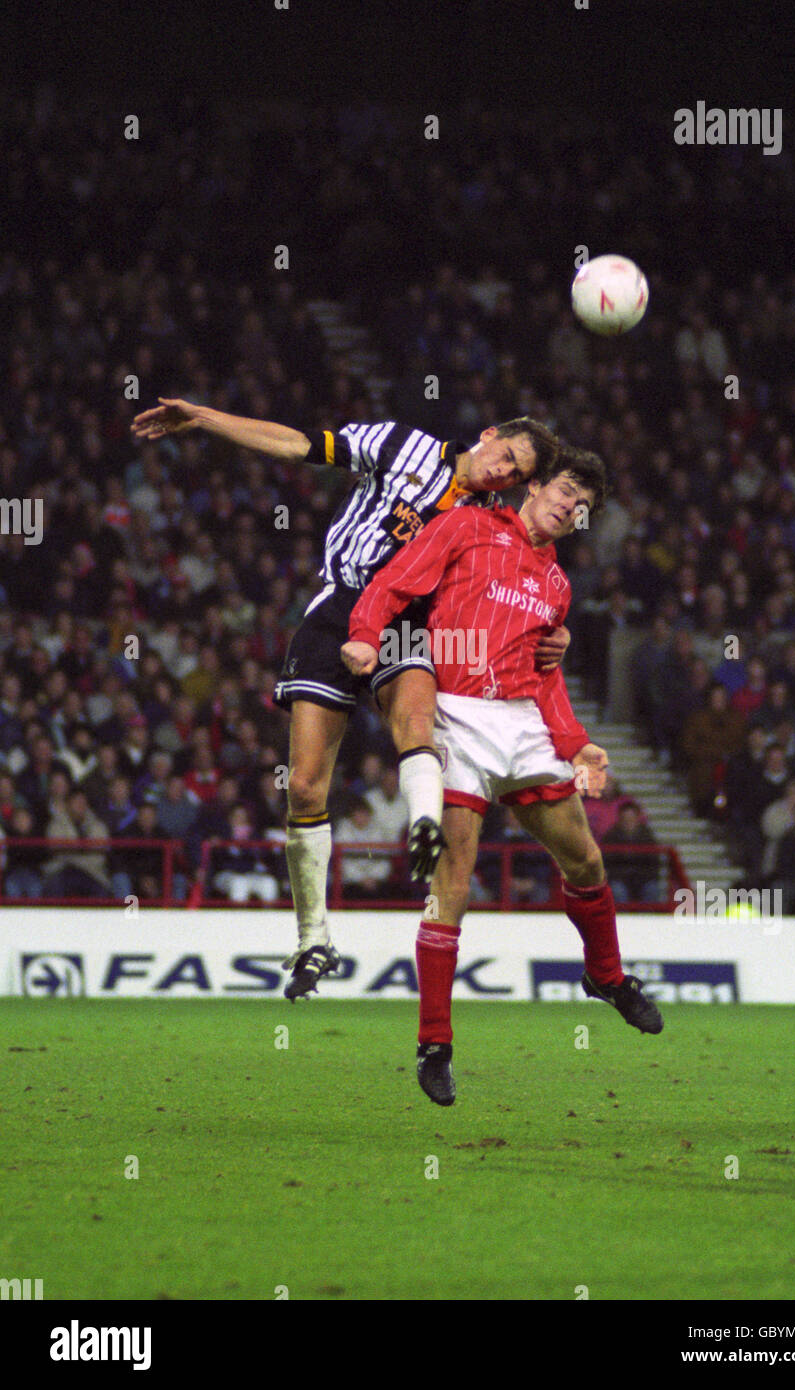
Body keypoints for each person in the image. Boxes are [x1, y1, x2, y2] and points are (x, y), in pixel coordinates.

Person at [132, 401, 566, 1001]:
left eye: (516, 473)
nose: (503, 472)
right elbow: (297, 443)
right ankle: (314, 940)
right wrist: (206, 419)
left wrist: (556, 629)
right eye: (506, 455)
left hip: (407, 621)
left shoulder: (491, 521)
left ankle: (423, 825)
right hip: (340, 611)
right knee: (306, 786)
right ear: (487, 433)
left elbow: (527, 576)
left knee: (415, 719)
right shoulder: (400, 445)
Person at [342, 446, 663, 1107]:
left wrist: (577, 746)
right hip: (455, 714)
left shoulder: (558, 587)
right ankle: (435, 1044)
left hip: (520, 723)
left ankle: (605, 976)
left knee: (586, 861)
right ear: (537, 484)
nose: (570, 508)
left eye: (583, 507)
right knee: (452, 886)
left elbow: (546, 677)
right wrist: (366, 632)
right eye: (566, 490)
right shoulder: (466, 525)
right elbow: (396, 581)